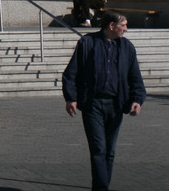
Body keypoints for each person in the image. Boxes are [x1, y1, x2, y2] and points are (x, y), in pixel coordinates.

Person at [62, 10, 146, 191]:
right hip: (93, 105)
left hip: (116, 105)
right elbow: (71, 73)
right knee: (98, 149)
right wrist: (71, 98)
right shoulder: (88, 43)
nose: (126, 29)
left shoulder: (127, 48)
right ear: (111, 26)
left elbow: (135, 78)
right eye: (123, 25)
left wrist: (137, 99)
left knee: (110, 151)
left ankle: (102, 186)